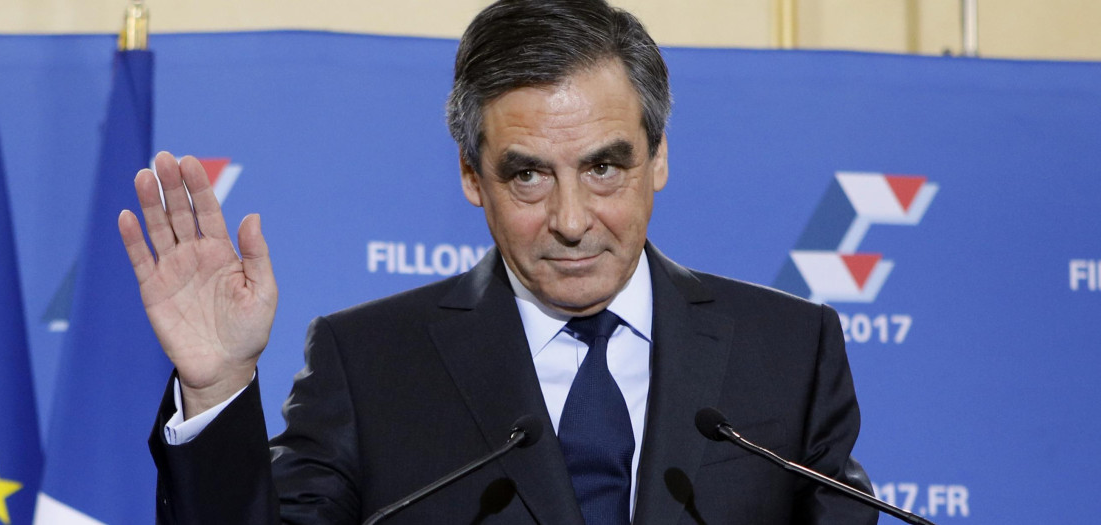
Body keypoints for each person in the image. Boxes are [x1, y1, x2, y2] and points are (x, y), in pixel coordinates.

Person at [118, 0, 877, 523]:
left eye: (604, 167)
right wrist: (216, 386)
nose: (573, 220)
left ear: (659, 158)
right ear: (471, 178)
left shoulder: (787, 350)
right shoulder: (372, 362)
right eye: (528, 175)